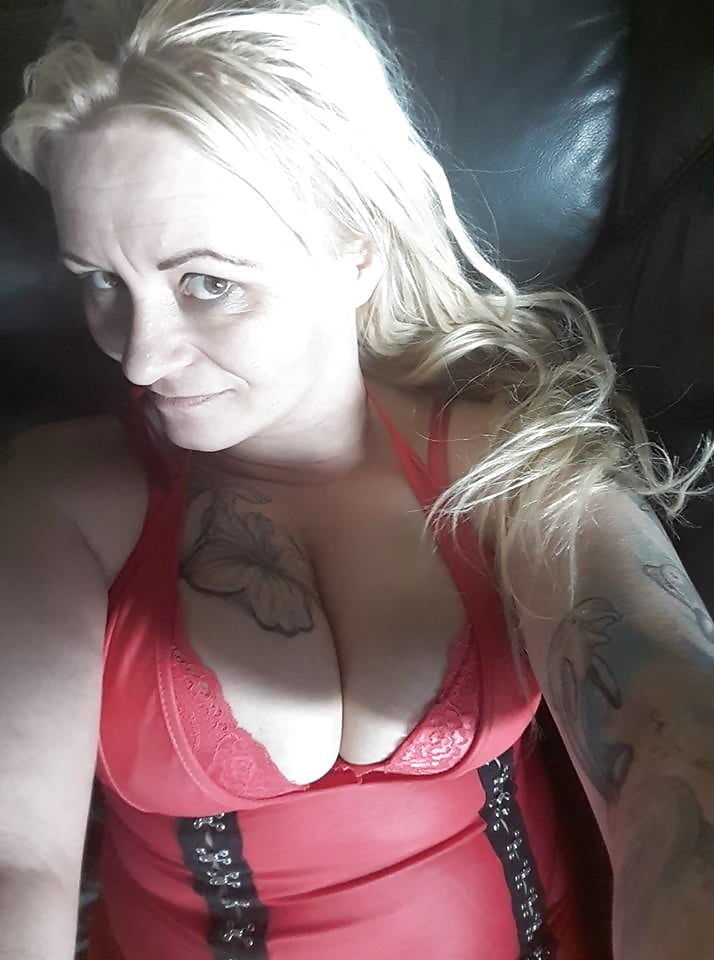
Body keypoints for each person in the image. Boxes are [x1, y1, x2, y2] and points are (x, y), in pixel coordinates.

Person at [1, 1, 713, 958]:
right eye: (100, 281)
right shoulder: (66, 496)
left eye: (208, 283)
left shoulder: (508, 466)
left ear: (356, 251)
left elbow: (677, 750)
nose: (138, 357)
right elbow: (18, 861)